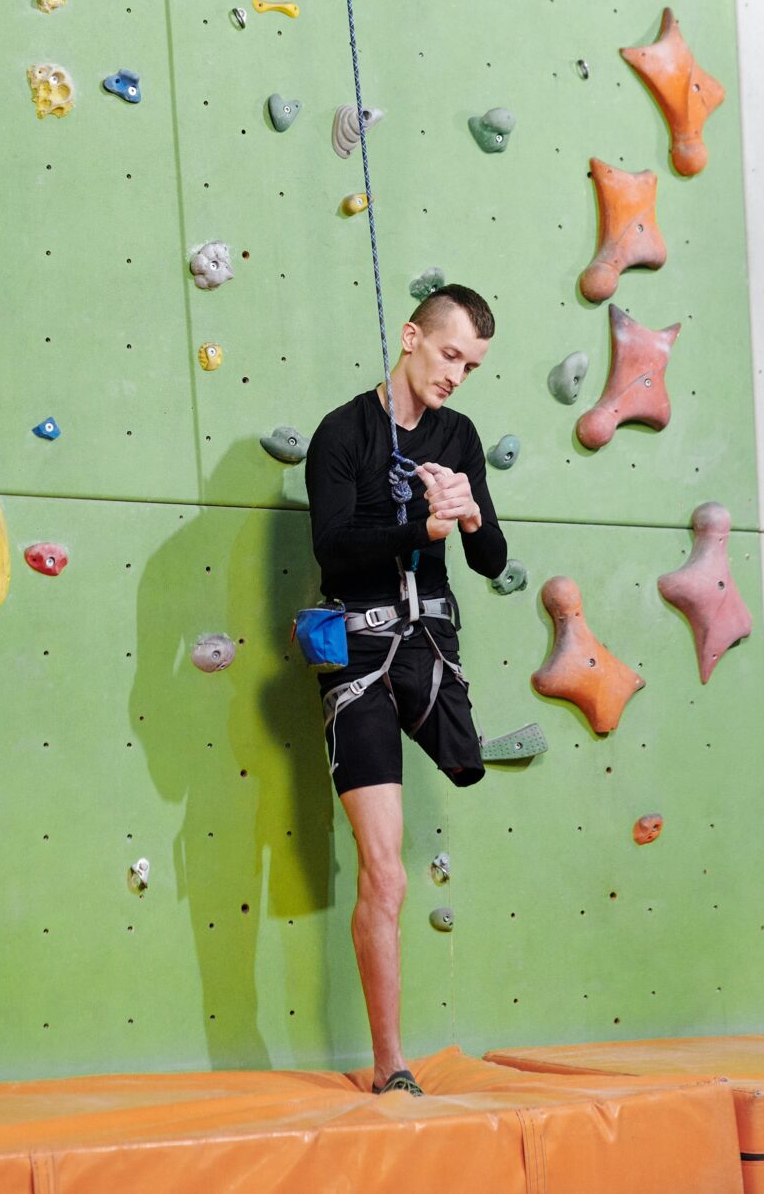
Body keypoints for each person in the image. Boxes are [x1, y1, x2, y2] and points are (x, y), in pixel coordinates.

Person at [303, 284, 508, 1097]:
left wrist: (465, 518)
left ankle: (393, 1059)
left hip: (429, 648)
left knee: (463, 762)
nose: (458, 374)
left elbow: (491, 561)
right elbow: (332, 543)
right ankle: (392, 1062)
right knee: (385, 872)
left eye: (473, 365)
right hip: (356, 653)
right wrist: (418, 527)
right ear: (412, 336)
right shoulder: (342, 432)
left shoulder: (459, 436)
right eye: (451, 354)